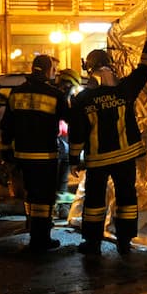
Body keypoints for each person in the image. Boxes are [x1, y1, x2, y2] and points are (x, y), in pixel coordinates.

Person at [68, 17, 147, 257]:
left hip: (98, 160)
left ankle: (92, 243)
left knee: (94, 203)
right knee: (127, 198)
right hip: (125, 157)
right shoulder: (124, 90)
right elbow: (144, 69)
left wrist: (73, 159)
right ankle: (124, 240)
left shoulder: (82, 99)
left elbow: (77, 133)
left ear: (89, 70)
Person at [0, 54, 71, 253]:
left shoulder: (16, 93)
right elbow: (70, 118)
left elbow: (6, 125)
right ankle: (41, 239)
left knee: (31, 195)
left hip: (23, 155)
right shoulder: (55, 94)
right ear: (48, 71)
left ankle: (32, 227)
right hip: (45, 155)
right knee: (44, 199)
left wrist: (6, 151)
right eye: (53, 70)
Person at [54, 67, 83, 204]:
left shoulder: (55, 93)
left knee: (64, 160)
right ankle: (59, 195)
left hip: (56, 140)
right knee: (62, 161)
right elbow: (68, 117)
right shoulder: (61, 96)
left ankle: (60, 195)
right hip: (54, 142)